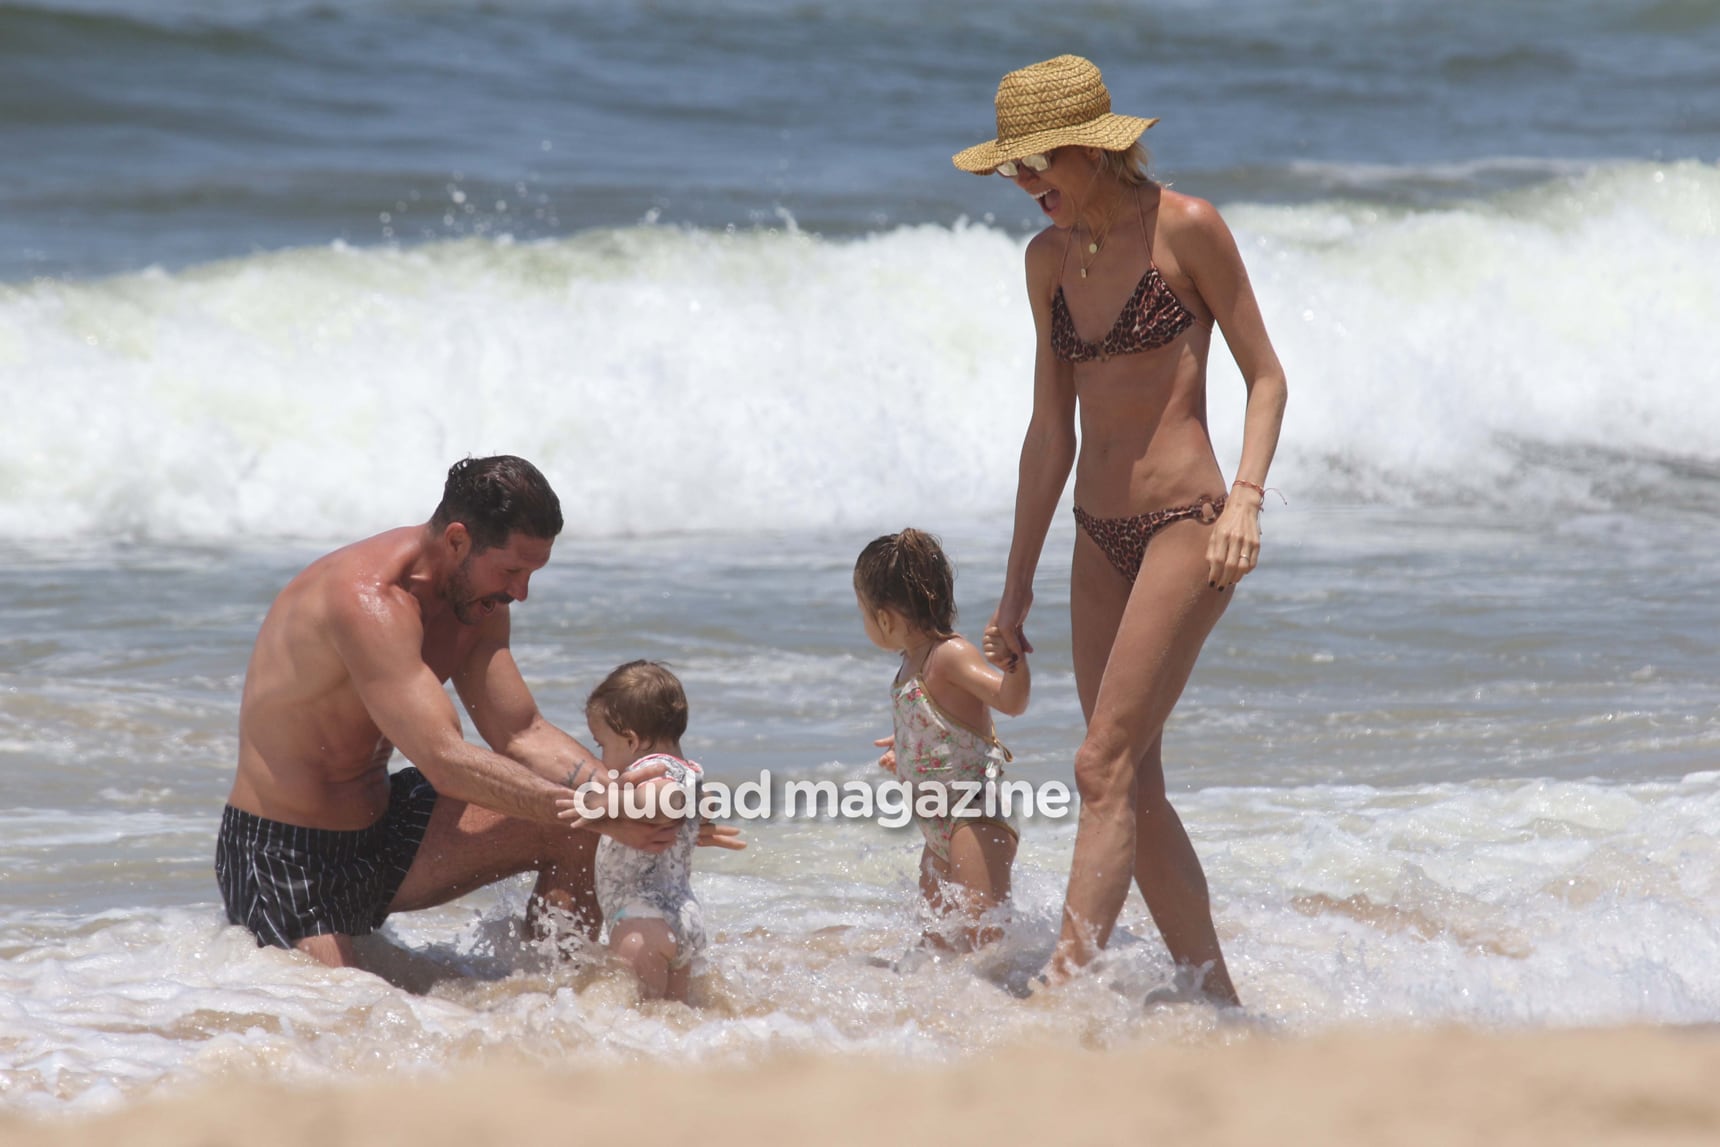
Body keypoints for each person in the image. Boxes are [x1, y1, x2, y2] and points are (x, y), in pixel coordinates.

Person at [953, 55, 1288, 1003]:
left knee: (1099, 761)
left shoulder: (1186, 227)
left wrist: (1247, 501)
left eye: (1037, 167)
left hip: (1192, 526)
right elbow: (1048, 432)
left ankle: (1064, 989)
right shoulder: (1047, 263)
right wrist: (1015, 585)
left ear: (1090, 148)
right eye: (1013, 172)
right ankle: (1217, 999)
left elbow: (1267, 375)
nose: (1025, 188)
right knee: (1131, 784)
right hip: (1094, 538)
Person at [215, 455, 740, 970]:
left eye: (532, 573)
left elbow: (521, 732)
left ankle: (561, 1002)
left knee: (582, 824)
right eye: (512, 570)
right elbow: (444, 761)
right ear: (458, 540)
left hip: (384, 831)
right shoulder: (366, 602)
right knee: (341, 1018)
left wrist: (635, 802)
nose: (521, 593)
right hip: (287, 854)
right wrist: (601, 808)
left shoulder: (478, 600)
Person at [854, 528, 1029, 950]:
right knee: (937, 944)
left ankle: (1010, 1008)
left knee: (983, 943)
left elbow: (1010, 700)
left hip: (975, 814)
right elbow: (944, 723)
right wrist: (908, 747)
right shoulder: (908, 664)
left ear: (884, 618)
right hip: (936, 827)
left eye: (862, 611)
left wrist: (1013, 663)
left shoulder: (949, 654)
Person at [575, 660, 707, 1002]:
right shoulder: (691, 771)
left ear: (631, 740)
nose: (601, 758)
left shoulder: (648, 771)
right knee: (673, 1026)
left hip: (640, 923)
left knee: (634, 1033)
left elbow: (662, 798)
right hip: (684, 919)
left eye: (602, 745)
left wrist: (607, 804)